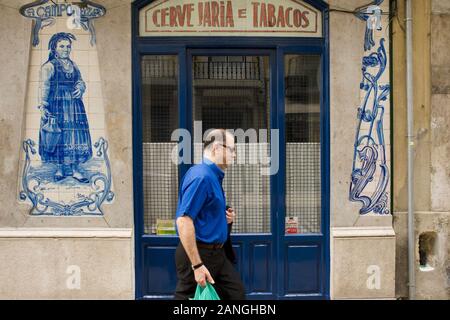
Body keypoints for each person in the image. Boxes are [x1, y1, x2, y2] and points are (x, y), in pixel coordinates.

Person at [174, 129, 245, 300]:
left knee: (236, 293)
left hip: (217, 255)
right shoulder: (202, 177)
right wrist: (197, 265)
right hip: (200, 254)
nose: (234, 155)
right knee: (188, 298)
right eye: (232, 150)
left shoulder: (212, 176)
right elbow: (184, 221)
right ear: (217, 148)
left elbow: (204, 213)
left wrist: (225, 219)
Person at [38, 32, 92, 183]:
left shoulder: (73, 65)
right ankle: (60, 169)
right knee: (60, 136)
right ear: (54, 48)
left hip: (74, 106)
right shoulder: (49, 66)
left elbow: (80, 81)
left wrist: (80, 88)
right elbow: (44, 86)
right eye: (62, 46)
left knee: (74, 135)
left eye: (68, 46)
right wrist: (43, 106)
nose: (66, 49)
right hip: (57, 105)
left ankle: (75, 169)